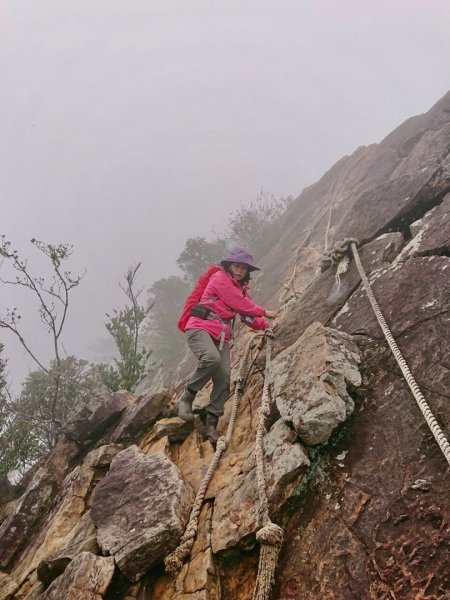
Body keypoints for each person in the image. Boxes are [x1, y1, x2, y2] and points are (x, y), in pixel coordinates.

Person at [178, 247, 278, 443]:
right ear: (229, 265)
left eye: (243, 268)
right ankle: (187, 397)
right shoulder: (219, 278)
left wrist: (266, 325)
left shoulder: (242, 289)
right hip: (199, 327)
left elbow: (248, 317)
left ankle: (211, 424)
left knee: (224, 377)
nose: (239, 271)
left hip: (221, 335)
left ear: (247, 271)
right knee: (211, 359)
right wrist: (265, 312)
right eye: (236, 266)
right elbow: (240, 305)